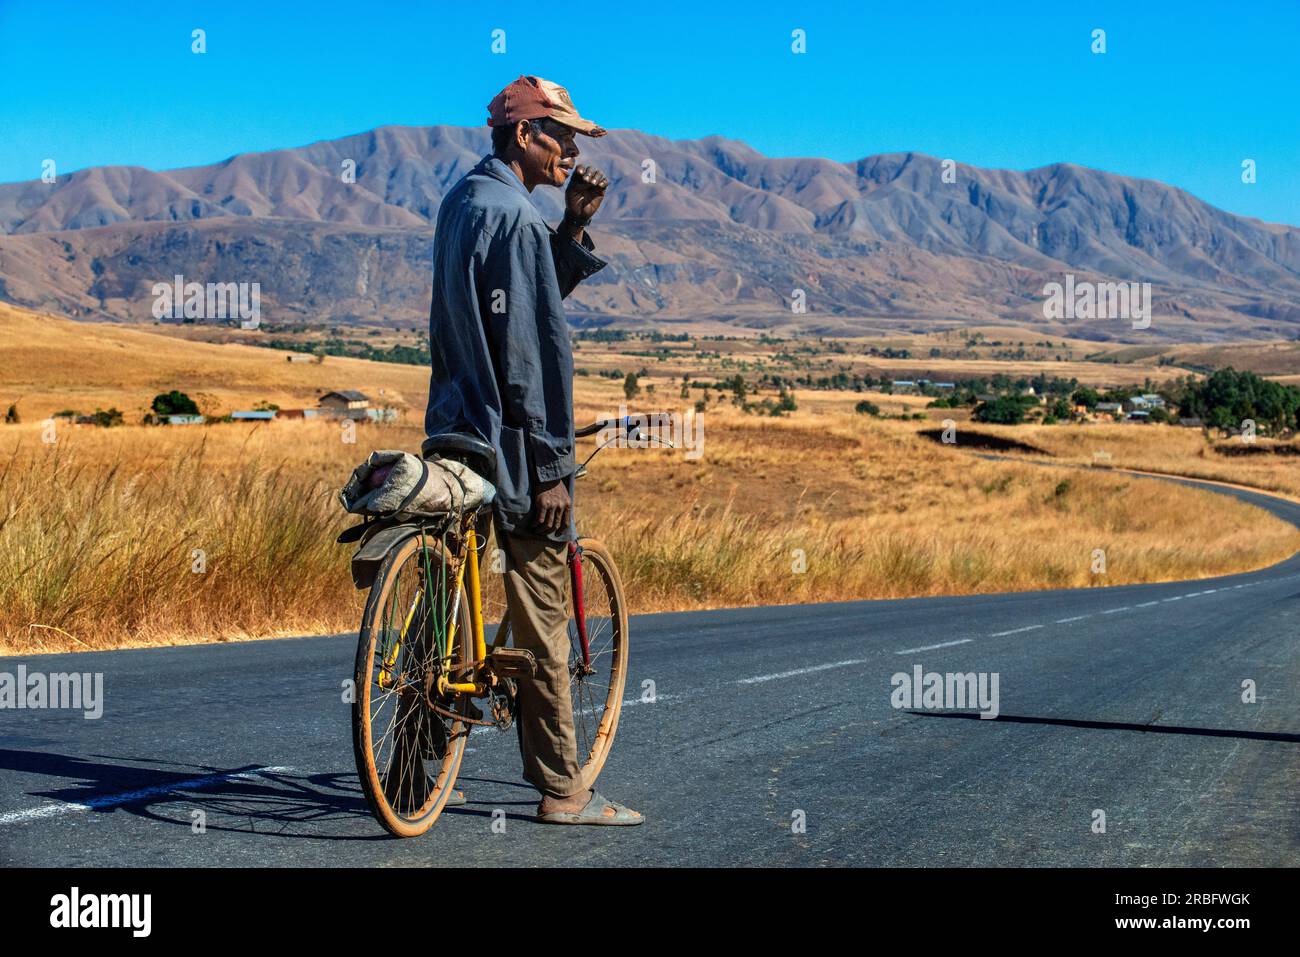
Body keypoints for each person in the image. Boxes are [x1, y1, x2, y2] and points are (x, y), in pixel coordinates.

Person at [423, 75, 643, 825]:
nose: (574, 150)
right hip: (513, 444)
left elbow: (511, 301)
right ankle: (563, 788)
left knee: (448, 593)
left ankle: (419, 737)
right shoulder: (515, 218)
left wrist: (572, 227)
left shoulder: (464, 202)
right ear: (525, 136)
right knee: (546, 610)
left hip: (453, 425)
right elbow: (529, 353)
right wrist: (552, 466)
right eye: (562, 135)